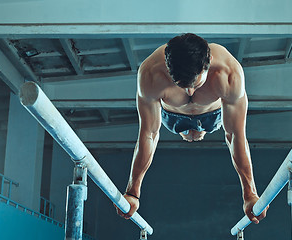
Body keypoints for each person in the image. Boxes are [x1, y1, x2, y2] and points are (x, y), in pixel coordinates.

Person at [114, 33, 268, 224]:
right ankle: (189, 131)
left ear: (209, 61)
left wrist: (250, 194)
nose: (190, 92)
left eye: (196, 84)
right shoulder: (150, 73)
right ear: (168, 67)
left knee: (198, 132)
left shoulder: (229, 72)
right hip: (172, 117)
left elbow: (235, 135)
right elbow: (149, 134)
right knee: (186, 131)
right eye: (182, 85)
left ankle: (196, 131)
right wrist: (132, 193)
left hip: (212, 116)